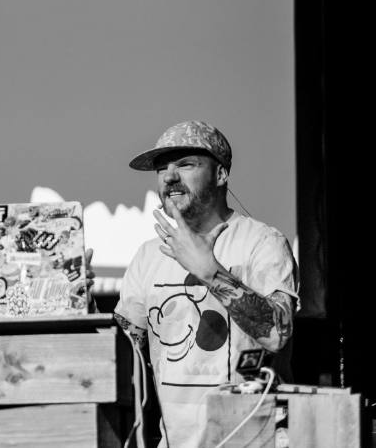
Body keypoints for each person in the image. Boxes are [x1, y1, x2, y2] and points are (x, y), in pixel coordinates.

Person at [112, 121, 298, 448]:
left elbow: (278, 334)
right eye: (161, 169)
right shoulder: (148, 255)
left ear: (221, 175)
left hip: (252, 441)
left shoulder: (262, 242)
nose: (169, 177)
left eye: (185, 165)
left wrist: (210, 272)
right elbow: (124, 353)